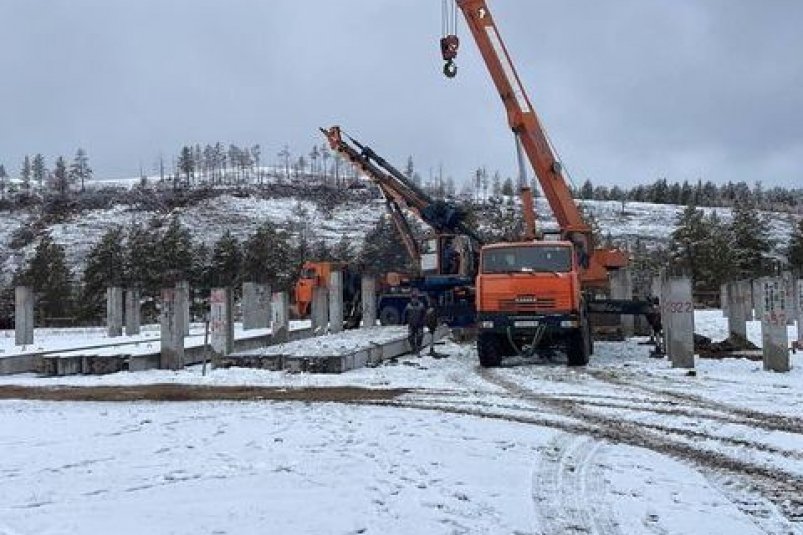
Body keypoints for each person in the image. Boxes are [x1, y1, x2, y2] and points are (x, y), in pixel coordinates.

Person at [403, 290, 426, 356]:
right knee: (410, 337)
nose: (414, 299)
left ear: (417, 298)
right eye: (413, 298)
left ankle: (418, 349)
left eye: (415, 298)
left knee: (420, 336)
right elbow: (405, 314)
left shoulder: (421, 306)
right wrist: (404, 321)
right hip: (411, 324)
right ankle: (413, 349)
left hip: (419, 324)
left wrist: (423, 322)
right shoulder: (408, 306)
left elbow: (424, 315)